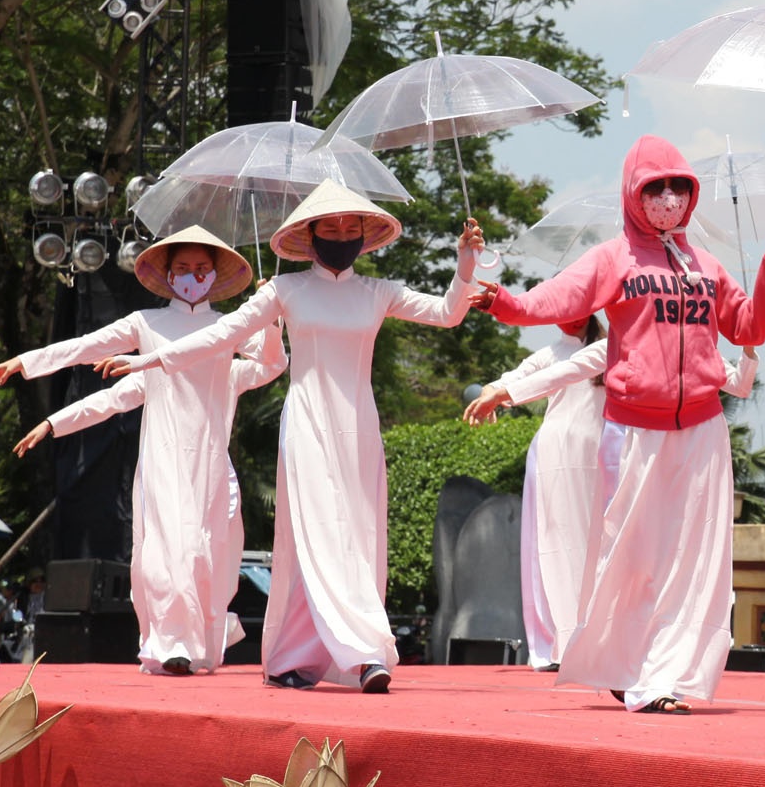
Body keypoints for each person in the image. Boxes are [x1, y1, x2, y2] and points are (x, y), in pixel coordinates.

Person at [98, 181, 484, 694]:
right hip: (305, 422)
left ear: (366, 235)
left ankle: (293, 656)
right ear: (310, 233)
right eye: (331, 226)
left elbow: (447, 313)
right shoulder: (285, 290)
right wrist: (151, 358)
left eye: (352, 227)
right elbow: (223, 334)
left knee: (356, 531)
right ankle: (365, 652)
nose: (342, 234)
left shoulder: (378, 292)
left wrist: (465, 265)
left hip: (359, 425)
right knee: (316, 529)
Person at [472, 136, 765, 714]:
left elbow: (750, 328)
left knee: (692, 561)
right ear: (634, 194)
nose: (668, 198)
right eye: (655, 188)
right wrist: (502, 302)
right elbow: (553, 300)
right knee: (633, 555)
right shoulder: (614, 258)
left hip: (701, 429)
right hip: (634, 432)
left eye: (678, 187)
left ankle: (662, 680)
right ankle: (628, 664)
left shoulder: (705, 265)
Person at [0, 225, 287, 677]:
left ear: (215, 273)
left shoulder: (227, 327)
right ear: (167, 273)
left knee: (209, 556)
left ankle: (200, 643)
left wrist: (268, 319)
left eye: (201, 268)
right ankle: (172, 644)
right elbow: (94, 362)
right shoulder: (146, 324)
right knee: (167, 554)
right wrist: (30, 366)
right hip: (164, 456)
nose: (192, 275)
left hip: (210, 462)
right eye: (183, 268)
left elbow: (272, 365)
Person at [464, 334, 760, 672]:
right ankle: (588, 645)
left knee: (660, 554)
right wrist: (502, 390)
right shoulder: (615, 343)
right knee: (583, 549)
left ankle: (661, 653)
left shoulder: (688, 342)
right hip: (589, 456)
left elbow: (737, 383)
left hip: (657, 457)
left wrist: (749, 347)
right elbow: (564, 370)